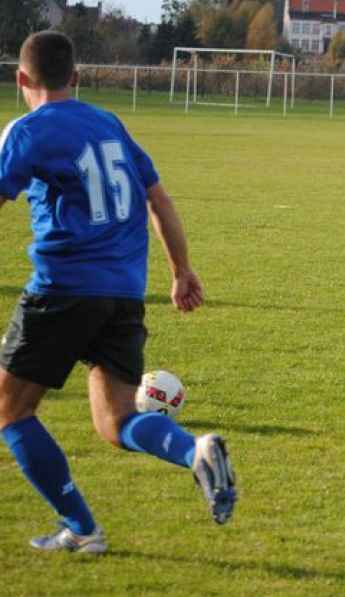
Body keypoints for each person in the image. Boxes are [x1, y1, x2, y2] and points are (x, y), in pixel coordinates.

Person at [0, 31, 237, 553]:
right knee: (118, 421)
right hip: (124, 293)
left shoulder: (25, 130)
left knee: (10, 411)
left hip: (62, 289)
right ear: (77, 78)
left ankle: (82, 529)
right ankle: (193, 451)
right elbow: (159, 199)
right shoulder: (109, 124)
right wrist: (182, 271)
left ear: (20, 79)